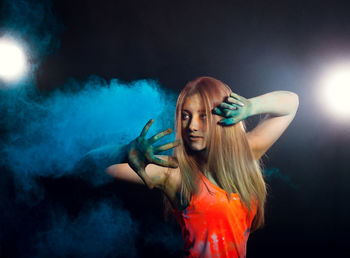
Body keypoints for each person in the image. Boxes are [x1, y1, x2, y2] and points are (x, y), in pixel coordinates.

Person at [106, 76, 299, 257]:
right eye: (185, 116)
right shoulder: (174, 174)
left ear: (223, 115)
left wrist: (250, 106)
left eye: (203, 116)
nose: (192, 126)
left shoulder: (244, 156)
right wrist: (125, 150)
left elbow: (291, 102)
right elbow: (91, 166)